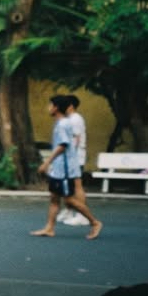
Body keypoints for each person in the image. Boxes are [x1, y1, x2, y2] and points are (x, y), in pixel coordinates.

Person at [31, 94, 102, 240]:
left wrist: (47, 162)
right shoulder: (61, 123)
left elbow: (63, 145)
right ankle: (49, 228)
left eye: (50, 105)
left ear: (56, 108)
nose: (48, 108)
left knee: (69, 200)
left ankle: (95, 222)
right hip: (59, 168)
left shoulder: (63, 124)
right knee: (54, 198)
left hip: (65, 168)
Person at [57, 95, 90, 226]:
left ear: (70, 106)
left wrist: (69, 157)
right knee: (69, 186)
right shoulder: (70, 119)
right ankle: (69, 211)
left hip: (76, 157)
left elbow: (76, 140)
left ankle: (82, 216)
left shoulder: (75, 119)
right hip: (72, 157)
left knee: (77, 186)